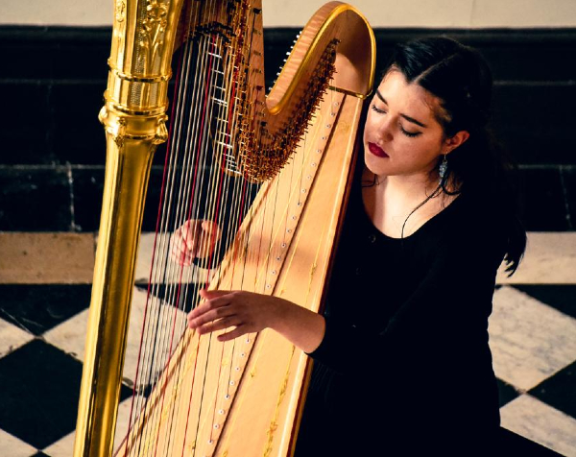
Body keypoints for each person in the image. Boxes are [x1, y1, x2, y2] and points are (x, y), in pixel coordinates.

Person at [179, 37, 530, 455]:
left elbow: (390, 364)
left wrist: (275, 312)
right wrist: (217, 248)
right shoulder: (343, 160)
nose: (378, 130)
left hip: (424, 415)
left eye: (409, 127)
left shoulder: (471, 229)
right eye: (379, 106)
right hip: (333, 374)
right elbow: (300, 256)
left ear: (452, 141)